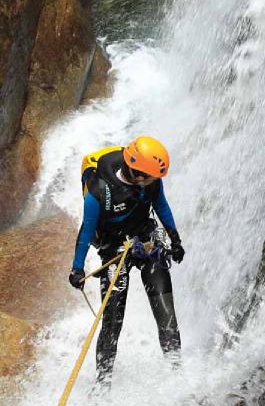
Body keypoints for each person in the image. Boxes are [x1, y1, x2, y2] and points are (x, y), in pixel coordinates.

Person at [68, 136, 184, 390]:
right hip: (113, 250)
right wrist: (77, 268)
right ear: (139, 174)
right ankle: (102, 385)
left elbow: (161, 206)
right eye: (153, 177)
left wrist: (175, 239)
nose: (156, 181)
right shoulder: (99, 191)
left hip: (146, 241)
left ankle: (177, 375)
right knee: (112, 321)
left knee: (167, 314)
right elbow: (86, 231)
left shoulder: (151, 181)